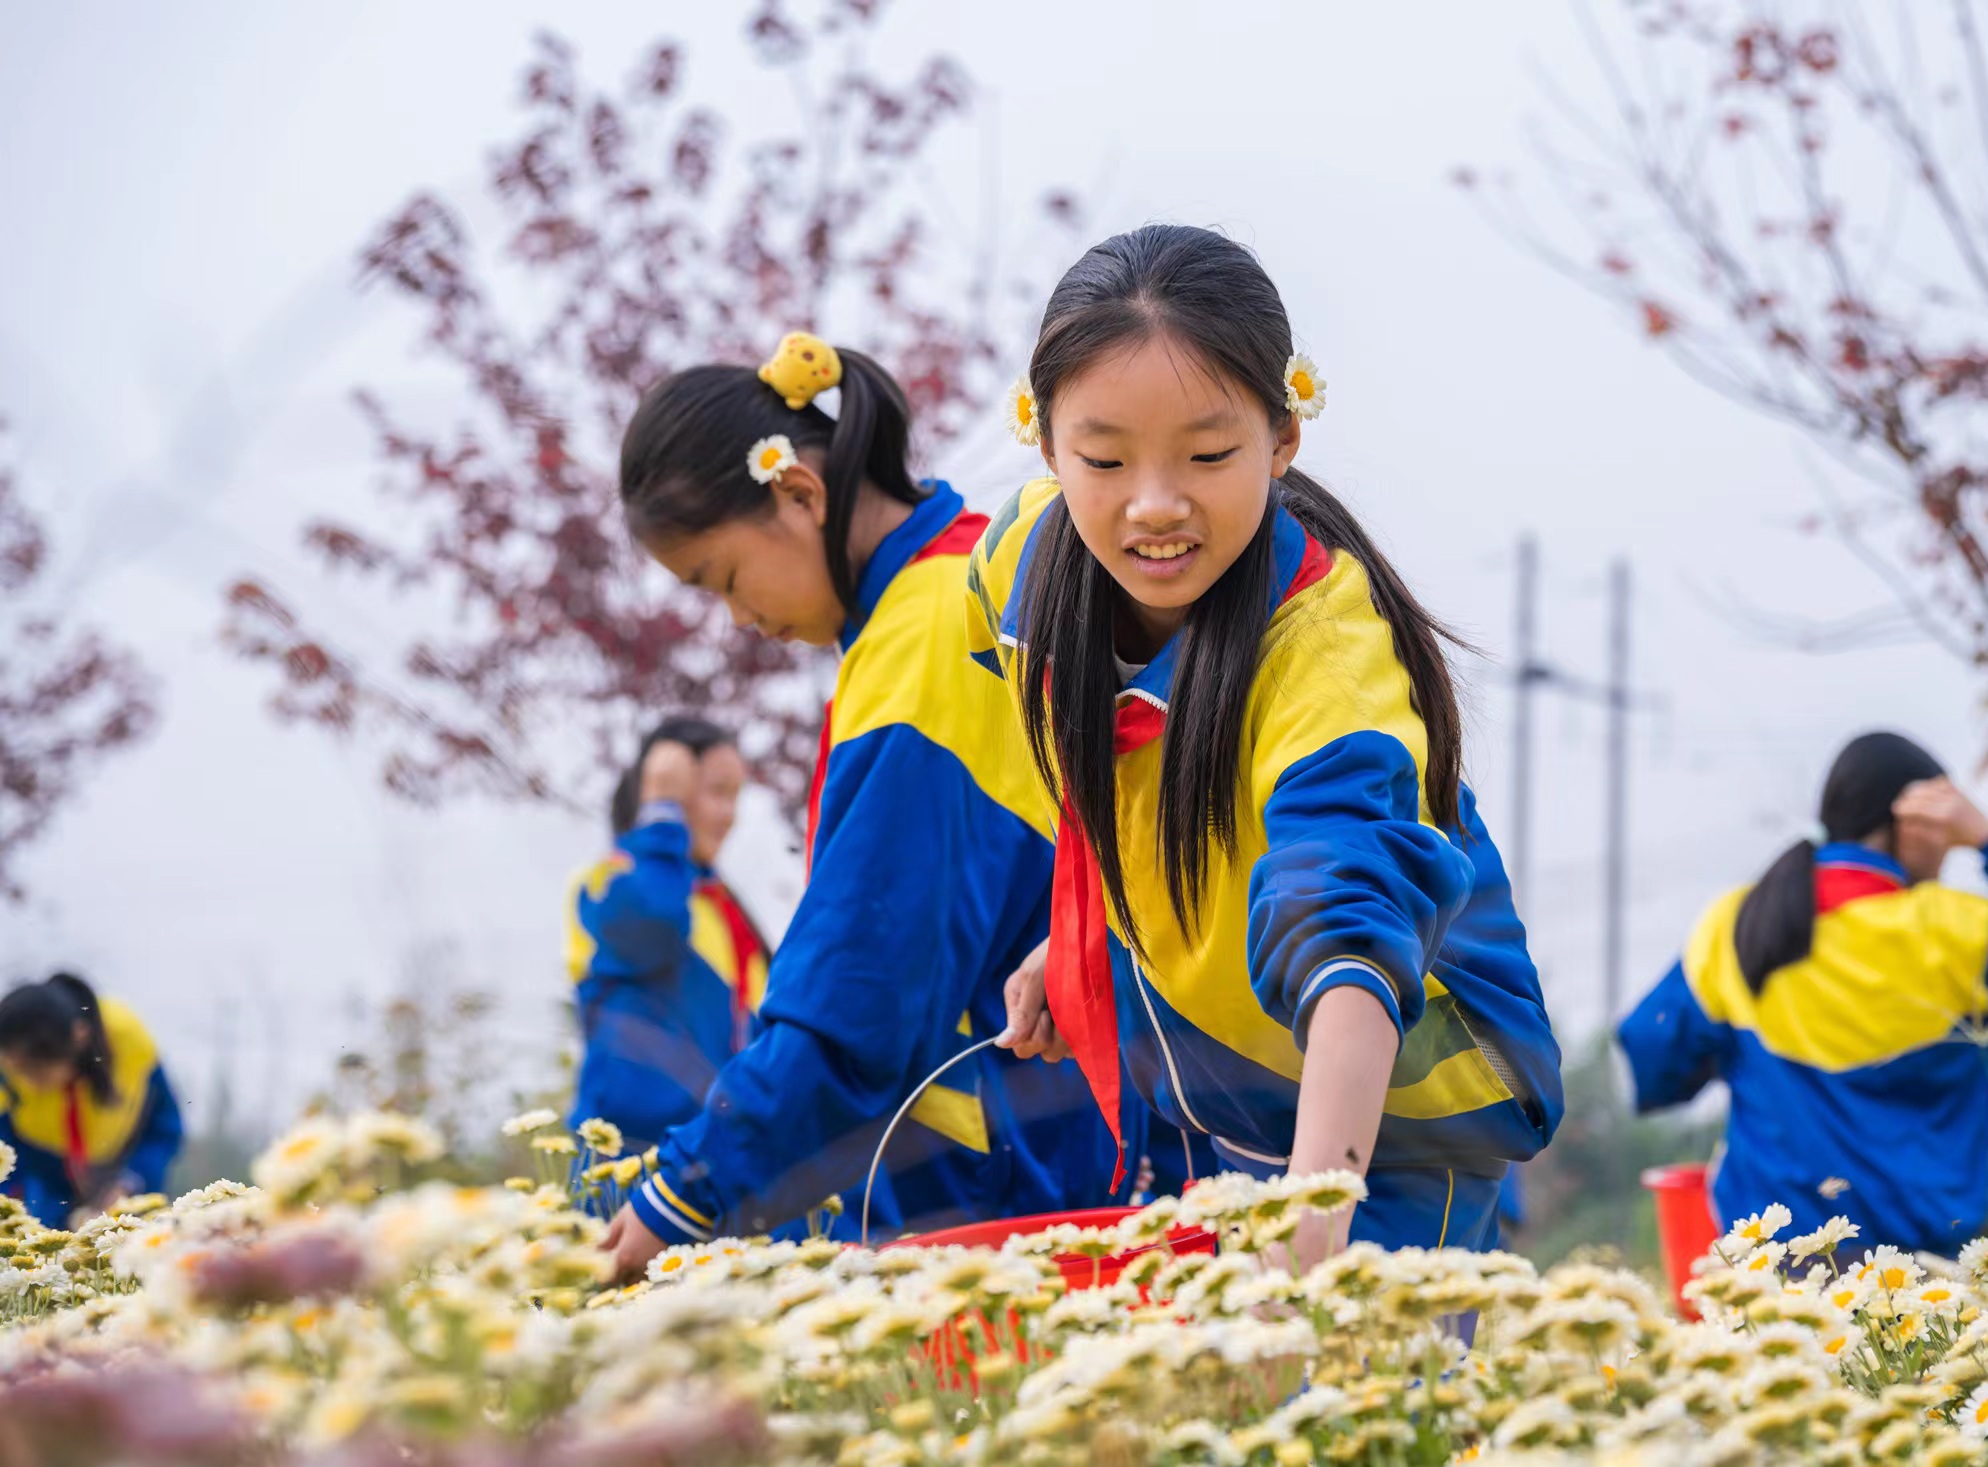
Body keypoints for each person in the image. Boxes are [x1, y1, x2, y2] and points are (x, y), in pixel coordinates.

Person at [968, 224, 1565, 1264]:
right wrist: (1080, 941)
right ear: (1044, 439)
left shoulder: (1328, 656)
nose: (1154, 505)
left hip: (1395, 1109)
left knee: (1357, 1416)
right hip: (1234, 1090)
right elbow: (1154, 800)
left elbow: (1343, 934)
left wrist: (1315, 1218)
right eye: (1103, 458)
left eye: (1207, 456)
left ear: (1284, 439)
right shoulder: (1018, 569)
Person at [599, 333, 1145, 1274]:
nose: (739, 619)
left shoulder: (927, 636)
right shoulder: (953, 583)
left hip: (1002, 1190)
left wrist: (685, 1195)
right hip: (1044, 1158)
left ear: (800, 495)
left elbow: (862, 994)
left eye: (724, 578)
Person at [1617, 731, 1988, 1258]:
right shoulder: (1954, 933)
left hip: (1764, 1274)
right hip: (1921, 1283)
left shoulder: (1736, 924)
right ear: (1914, 820)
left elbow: (1652, 1059)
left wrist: (1753, 1065)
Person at [567, 716, 770, 1155]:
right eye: (717, 793)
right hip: (631, 1168)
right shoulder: (609, 883)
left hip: (716, 1171)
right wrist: (660, 810)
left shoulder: (724, 909)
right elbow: (650, 924)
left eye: (736, 797)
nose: (729, 815)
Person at [0, 972, 184, 1226]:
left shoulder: (127, 1044)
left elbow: (164, 1127)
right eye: (17, 1071)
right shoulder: (8, 1070)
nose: (29, 1083)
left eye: (37, 1071)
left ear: (80, 1037)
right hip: (42, 1178)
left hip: (121, 1176)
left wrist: (130, 1180)